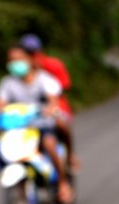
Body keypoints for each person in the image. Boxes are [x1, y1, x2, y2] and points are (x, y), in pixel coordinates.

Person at [0, 46, 73, 204]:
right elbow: (0, 104)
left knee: (49, 143)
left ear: (29, 60)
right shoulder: (7, 84)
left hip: (41, 126)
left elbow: (53, 100)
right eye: (12, 60)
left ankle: (63, 184)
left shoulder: (44, 79)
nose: (15, 63)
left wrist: (50, 108)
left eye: (19, 59)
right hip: (19, 130)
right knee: (1, 146)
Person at [19, 34, 79, 172]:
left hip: (56, 106)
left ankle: (70, 156)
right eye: (27, 52)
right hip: (30, 110)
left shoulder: (53, 65)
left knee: (61, 124)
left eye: (33, 52)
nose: (32, 55)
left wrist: (50, 101)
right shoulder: (21, 71)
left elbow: (64, 87)